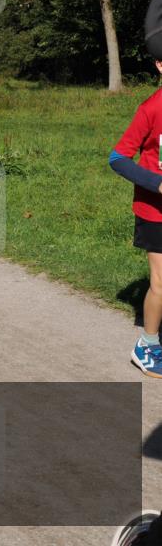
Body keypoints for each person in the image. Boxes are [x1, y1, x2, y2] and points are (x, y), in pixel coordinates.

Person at [109, 50, 162, 376]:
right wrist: (156, 183)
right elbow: (118, 158)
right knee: (161, 283)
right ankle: (147, 345)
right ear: (160, 64)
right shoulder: (151, 109)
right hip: (156, 212)